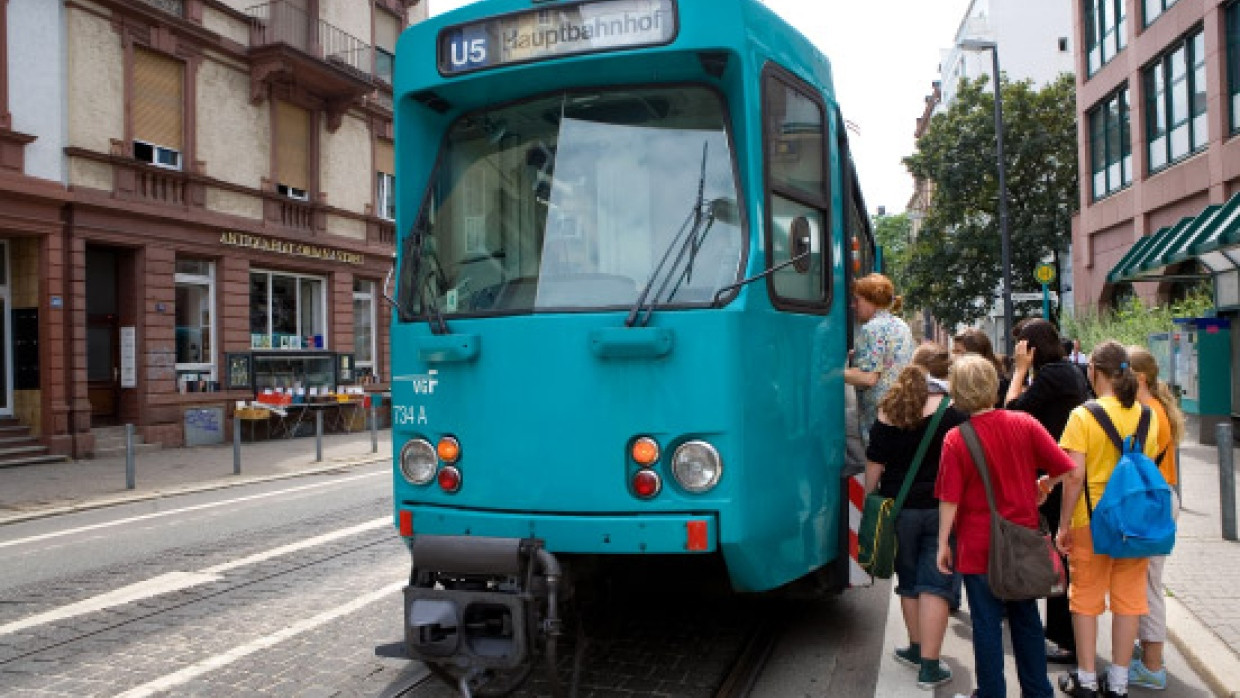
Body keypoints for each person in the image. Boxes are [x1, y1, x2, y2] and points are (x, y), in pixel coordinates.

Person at [935, 355, 1080, 698]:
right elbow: (1070, 468)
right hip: (1023, 542)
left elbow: (949, 499)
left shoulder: (956, 439)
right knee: (1027, 621)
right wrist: (1045, 483)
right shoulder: (1024, 423)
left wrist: (943, 543)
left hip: (977, 547)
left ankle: (991, 692)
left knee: (986, 626)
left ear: (957, 394)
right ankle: (1037, 691)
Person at [1056, 341, 1162, 698]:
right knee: (1129, 600)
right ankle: (1117, 682)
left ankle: (1086, 678)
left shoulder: (1082, 416)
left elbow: (1073, 477)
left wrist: (1063, 525)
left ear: (1093, 372)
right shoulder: (1148, 415)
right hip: (1135, 523)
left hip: (1092, 519)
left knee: (1084, 598)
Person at [865, 362, 966, 690]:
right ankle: (930, 667)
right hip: (942, 509)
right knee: (935, 584)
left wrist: (870, 498)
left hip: (900, 510)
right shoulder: (952, 412)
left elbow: (875, 465)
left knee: (908, 579)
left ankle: (915, 647)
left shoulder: (887, 413)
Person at [1004, 319, 1090, 665]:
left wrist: (1018, 372)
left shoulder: (1053, 375)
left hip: (1056, 476)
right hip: (1061, 472)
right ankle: (1064, 634)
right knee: (1061, 553)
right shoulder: (1066, 372)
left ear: (1031, 348)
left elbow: (1011, 413)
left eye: (1020, 349)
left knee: (1058, 553)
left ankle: (1064, 639)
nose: (1017, 355)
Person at [1125, 345, 1184, 691]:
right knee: (1147, 582)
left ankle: (1152, 665)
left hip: (1153, 503)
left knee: (1148, 585)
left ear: (1140, 378)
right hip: (1160, 500)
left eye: (1123, 371)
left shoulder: (1148, 412)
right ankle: (1148, 655)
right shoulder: (1157, 407)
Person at [845, 273, 915, 441]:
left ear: (872, 301)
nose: (853, 305)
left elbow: (869, 378)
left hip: (878, 419)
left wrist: (834, 373)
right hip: (900, 412)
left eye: (857, 300)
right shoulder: (901, 325)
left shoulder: (872, 328)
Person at [952, 328, 1009, 408]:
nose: (954, 356)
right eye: (953, 351)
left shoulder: (998, 383)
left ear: (975, 353)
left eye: (958, 351)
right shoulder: (959, 378)